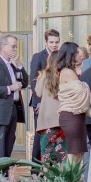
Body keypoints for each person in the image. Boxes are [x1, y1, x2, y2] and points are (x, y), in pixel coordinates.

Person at [0, 33, 27, 163]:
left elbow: (25, 83)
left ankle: (5, 177)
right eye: (13, 46)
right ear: (3, 46)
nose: (15, 49)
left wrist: (19, 64)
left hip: (12, 110)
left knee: (8, 147)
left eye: (16, 47)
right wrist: (10, 88)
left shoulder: (13, 65)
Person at [53, 42, 90, 164]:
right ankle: (69, 180)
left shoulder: (69, 71)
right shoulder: (67, 71)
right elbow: (81, 92)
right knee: (74, 153)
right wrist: (86, 86)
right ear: (71, 54)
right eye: (78, 52)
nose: (80, 55)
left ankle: (74, 180)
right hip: (71, 117)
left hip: (77, 116)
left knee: (79, 152)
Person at [29, 29, 60, 162]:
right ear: (45, 42)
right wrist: (39, 102)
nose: (54, 45)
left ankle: (52, 167)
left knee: (55, 136)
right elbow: (34, 80)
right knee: (39, 135)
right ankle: (36, 169)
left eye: (57, 42)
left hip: (54, 104)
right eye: (51, 42)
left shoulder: (59, 57)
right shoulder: (38, 56)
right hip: (41, 102)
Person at [35, 52, 64, 162]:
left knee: (46, 152)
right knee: (61, 153)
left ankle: (46, 177)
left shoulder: (43, 75)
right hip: (60, 118)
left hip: (46, 119)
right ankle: (60, 177)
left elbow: (38, 92)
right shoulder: (63, 75)